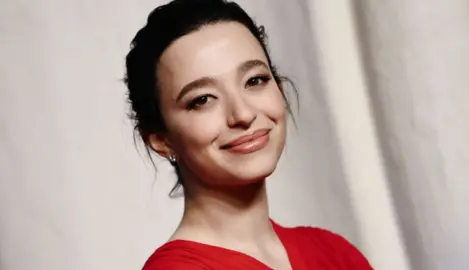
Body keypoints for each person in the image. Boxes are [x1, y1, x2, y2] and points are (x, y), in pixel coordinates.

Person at [124, 0, 373, 269]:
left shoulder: (333, 252)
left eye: (255, 80)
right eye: (203, 99)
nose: (243, 114)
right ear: (161, 139)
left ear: (279, 89)